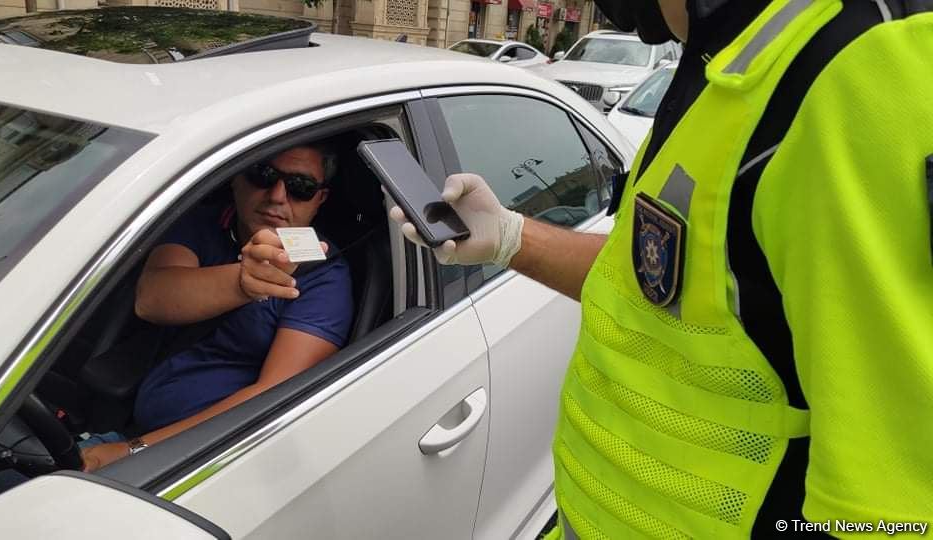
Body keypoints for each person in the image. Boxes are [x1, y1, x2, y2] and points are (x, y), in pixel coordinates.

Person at [392, 0, 933, 537]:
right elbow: (660, 286)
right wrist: (509, 236)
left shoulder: (855, 68)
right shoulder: (727, 64)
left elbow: (893, 512)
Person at [82, 144, 353, 471]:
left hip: (209, 458)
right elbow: (152, 299)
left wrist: (135, 451)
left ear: (319, 199)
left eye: (301, 187)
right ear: (236, 177)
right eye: (263, 174)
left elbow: (273, 398)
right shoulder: (202, 222)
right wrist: (243, 281)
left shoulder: (324, 275)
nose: (278, 196)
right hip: (121, 428)